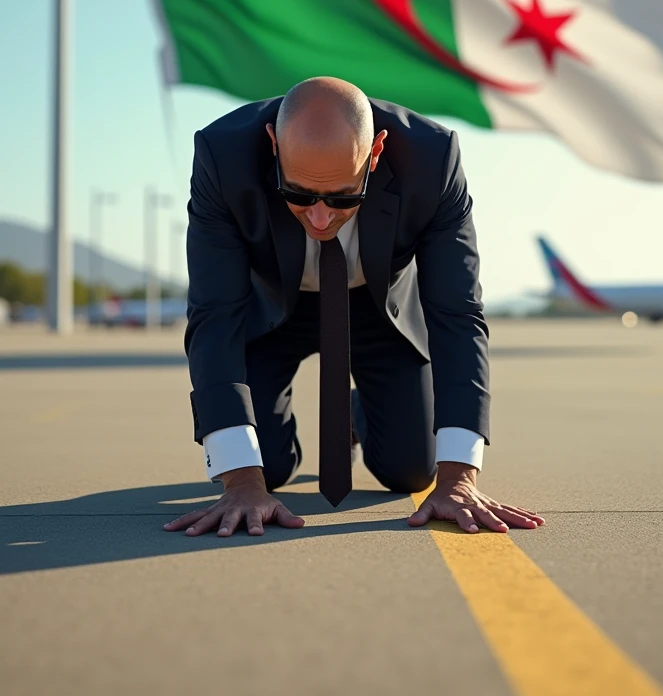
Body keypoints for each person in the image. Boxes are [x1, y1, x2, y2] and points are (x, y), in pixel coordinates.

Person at [164, 77, 544, 538]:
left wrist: (460, 477)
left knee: (410, 473)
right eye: (299, 195)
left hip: (377, 307)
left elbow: (458, 314)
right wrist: (241, 480)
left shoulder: (433, 159)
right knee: (267, 468)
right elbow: (213, 314)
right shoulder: (222, 156)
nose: (321, 219)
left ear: (376, 153)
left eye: (344, 196)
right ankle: (271, 452)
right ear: (273, 146)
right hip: (273, 312)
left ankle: (356, 412)